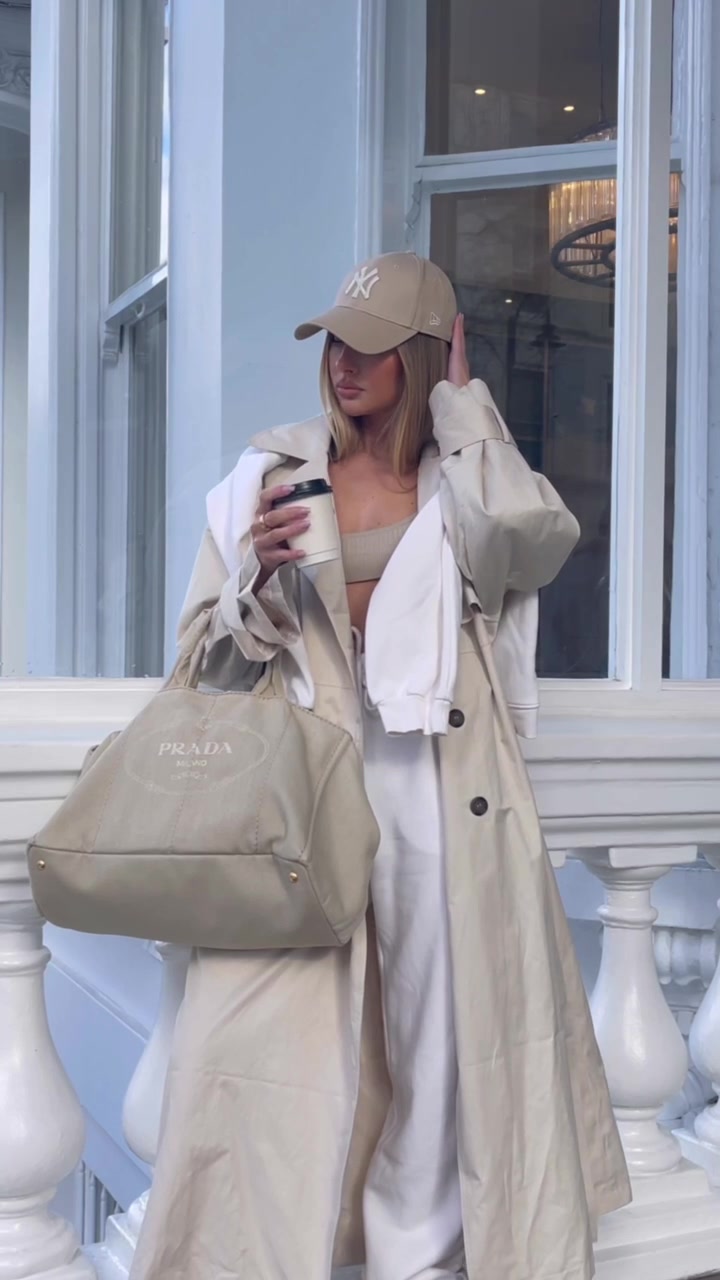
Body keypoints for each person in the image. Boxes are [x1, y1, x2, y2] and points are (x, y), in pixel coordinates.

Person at [130, 253, 630, 1280]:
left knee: (439, 1032)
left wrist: (466, 408)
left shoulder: (465, 485)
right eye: (333, 343)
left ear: (422, 356)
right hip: (307, 787)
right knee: (267, 1034)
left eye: (371, 345)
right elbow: (200, 665)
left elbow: (534, 539)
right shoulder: (268, 475)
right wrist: (258, 580)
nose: (343, 364)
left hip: (441, 789)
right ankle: (276, 1250)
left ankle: (417, 1253)